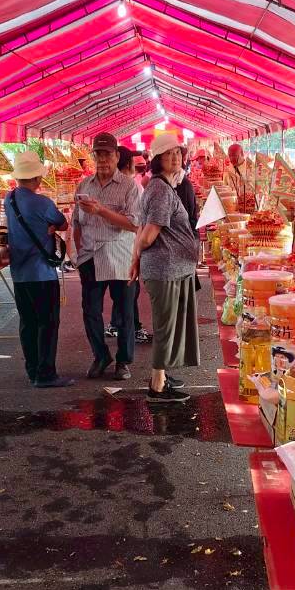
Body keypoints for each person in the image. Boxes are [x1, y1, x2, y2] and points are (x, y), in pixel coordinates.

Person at [131, 133, 201, 404]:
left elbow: (142, 228)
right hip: (165, 269)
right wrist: (137, 256)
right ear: (157, 160)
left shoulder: (162, 186)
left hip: (170, 268)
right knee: (165, 327)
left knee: (168, 326)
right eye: (167, 154)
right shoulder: (160, 189)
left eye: (177, 152)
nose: (174, 157)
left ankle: (161, 377)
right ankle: (157, 386)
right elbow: (148, 234)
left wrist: (135, 260)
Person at [73, 133, 141, 381]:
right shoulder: (84, 186)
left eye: (107, 154)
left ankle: (123, 361)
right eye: (98, 154)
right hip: (90, 256)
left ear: (117, 156)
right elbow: (76, 222)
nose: (102, 159)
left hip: (119, 256)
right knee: (90, 311)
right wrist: (78, 253)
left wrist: (101, 210)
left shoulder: (129, 186)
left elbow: (134, 224)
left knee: (124, 312)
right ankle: (101, 356)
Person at [5, 150, 73, 388]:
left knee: (28, 323)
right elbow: (63, 223)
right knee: (48, 323)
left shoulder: (9, 199)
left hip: (19, 273)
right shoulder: (42, 203)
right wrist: (51, 228)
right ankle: (45, 374)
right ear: (36, 178)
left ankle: (32, 369)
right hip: (41, 272)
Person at [109, 148, 151, 343]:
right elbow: (138, 222)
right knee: (129, 289)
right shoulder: (134, 187)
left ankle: (117, 324)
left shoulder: (109, 186)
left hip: (116, 245)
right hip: (129, 245)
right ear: (128, 164)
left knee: (122, 288)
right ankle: (132, 328)